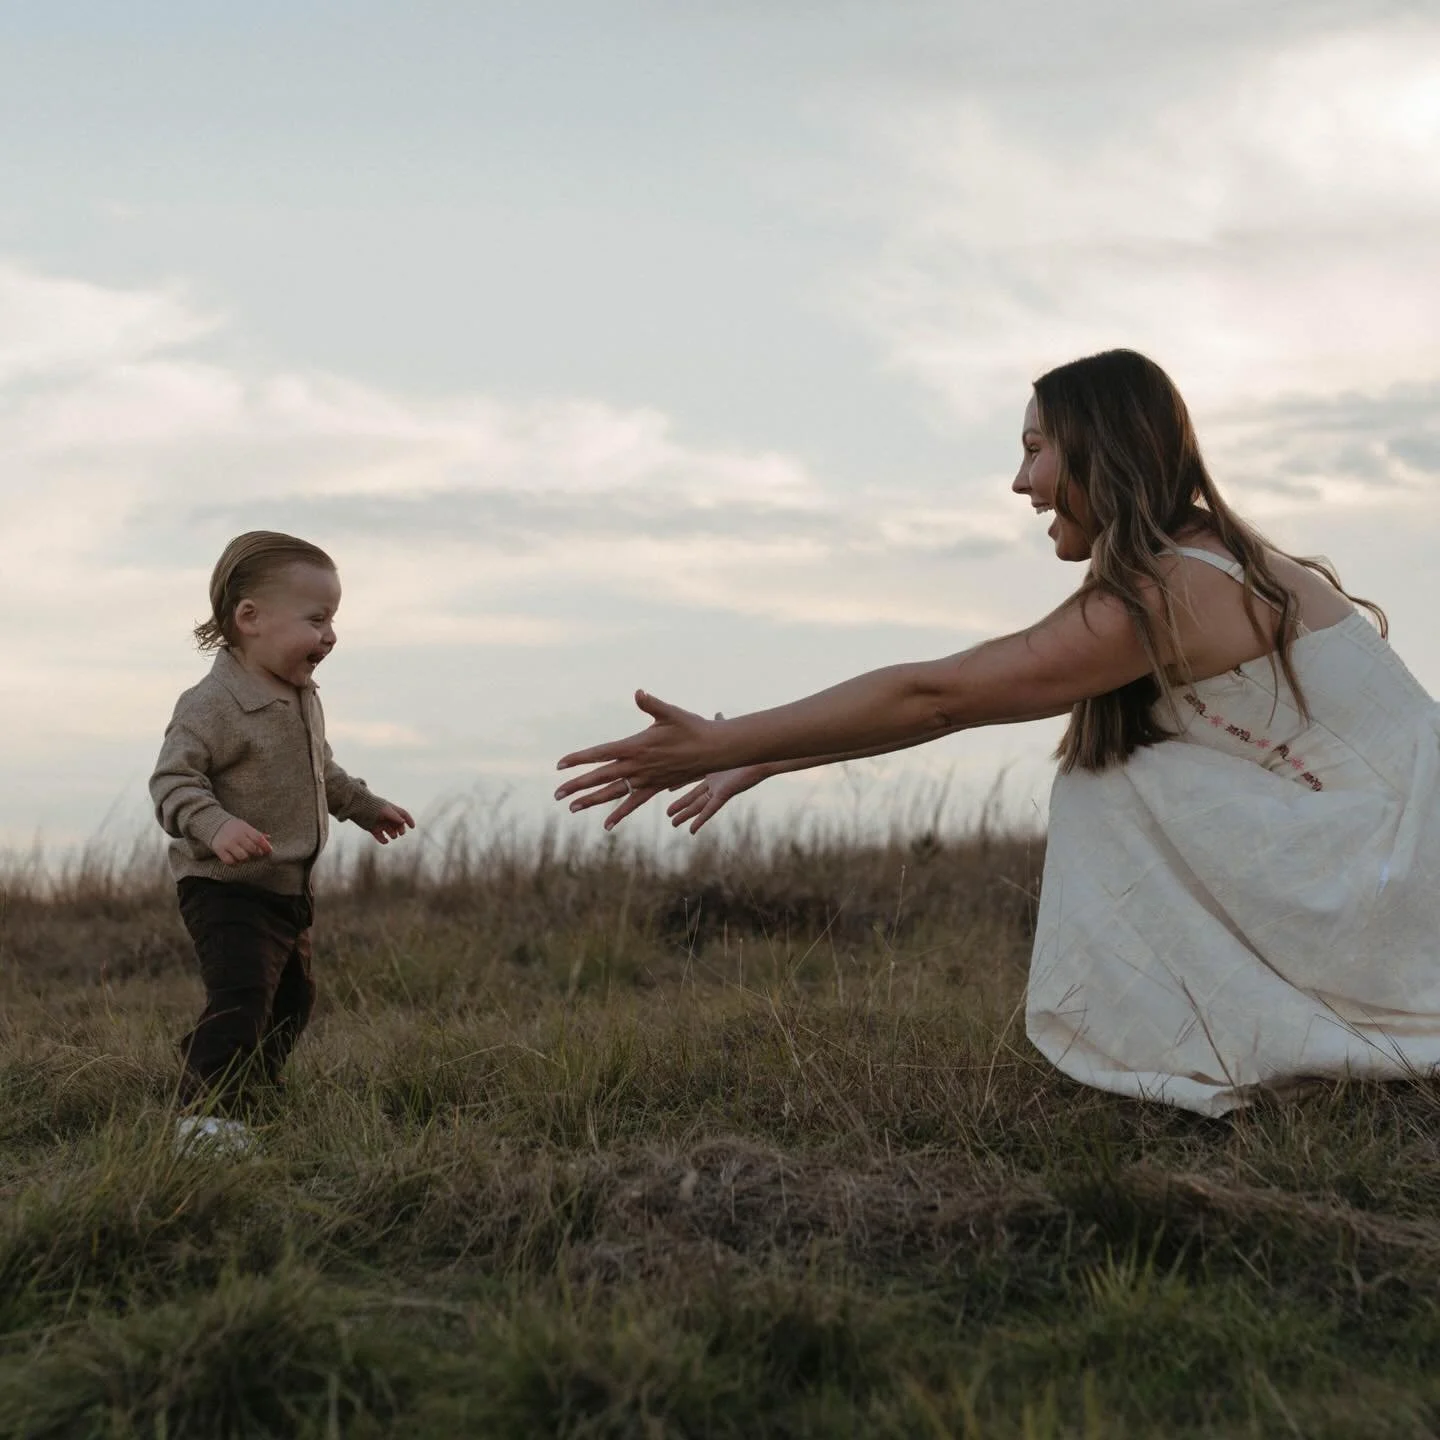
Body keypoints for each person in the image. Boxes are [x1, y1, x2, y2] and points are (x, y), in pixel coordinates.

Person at [554, 348, 1440, 1116]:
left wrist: (731, 742)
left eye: (1035, 449)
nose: (1021, 482)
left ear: (1101, 448)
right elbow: (950, 700)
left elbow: (941, 696)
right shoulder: (1193, 566)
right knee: (1125, 775)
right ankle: (1291, 1031)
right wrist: (763, 753)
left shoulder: (1181, 588)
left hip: (1411, 879)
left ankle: (1286, 1040)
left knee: (1114, 785)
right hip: (1394, 865)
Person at [151, 531, 414, 1143]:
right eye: (317, 619)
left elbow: (323, 770)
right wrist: (216, 825)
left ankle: (251, 1088)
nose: (331, 635)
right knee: (242, 997)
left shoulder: (300, 697)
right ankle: (204, 1119)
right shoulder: (212, 704)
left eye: (334, 620)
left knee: (291, 1003)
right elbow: (172, 782)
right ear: (251, 618)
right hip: (223, 886)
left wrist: (364, 806)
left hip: (287, 890)